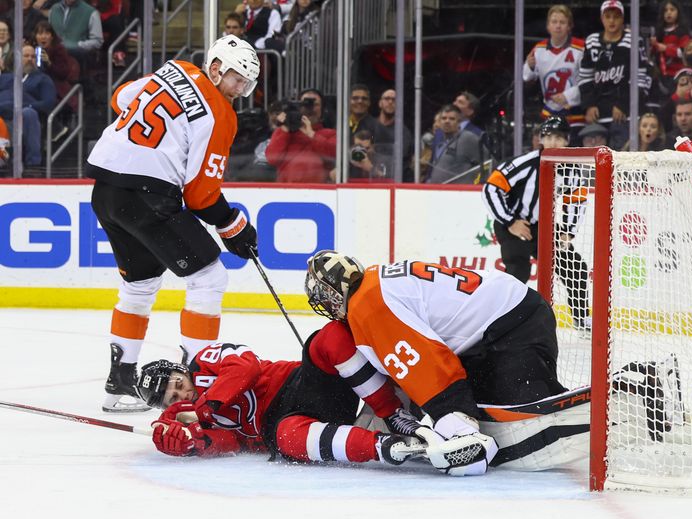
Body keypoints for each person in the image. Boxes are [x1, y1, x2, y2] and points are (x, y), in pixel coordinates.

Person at [85, 35, 261, 412]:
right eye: (236, 79)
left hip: (107, 192)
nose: (240, 89)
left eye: (247, 84)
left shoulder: (176, 69)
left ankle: (119, 386)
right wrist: (234, 225)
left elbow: (120, 98)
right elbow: (201, 195)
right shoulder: (221, 114)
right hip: (148, 196)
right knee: (210, 278)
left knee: (140, 284)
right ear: (215, 69)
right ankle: (201, 384)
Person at [303, 244, 576, 477]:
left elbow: (424, 364)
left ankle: (593, 411)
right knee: (486, 402)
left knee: (522, 403)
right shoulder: (374, 284)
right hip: (503, 321)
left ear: (331, 294)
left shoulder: (368, 306)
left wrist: (456, 423)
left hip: (513, 324)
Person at [136, 320, 427, 468]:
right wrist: (193, 443)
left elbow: (245, 366)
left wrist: (206, 406)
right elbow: (232, 442)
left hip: (300, 384)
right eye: (172, 398)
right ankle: (385, 445)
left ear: (180, 370)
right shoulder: (187, 419)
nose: (181, 393)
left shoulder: (204, 362)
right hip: (284, 423)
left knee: (327, 337)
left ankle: (393, 411)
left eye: (177, 383)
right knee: (287, 440)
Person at [482, 115, 590, 330]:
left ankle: (581, 319)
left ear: (567, 140)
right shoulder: (526, 163)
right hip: (512, 224)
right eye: (548, 137)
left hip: (543, 226)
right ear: (540, 139)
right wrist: (511, 221)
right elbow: (491, 188)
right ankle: (500, 318)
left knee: (575, 267)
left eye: (558, 138)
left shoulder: (572, 169)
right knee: (518, 268)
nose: (552, 142)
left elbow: (576, 201)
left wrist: (568, 231)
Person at [578, 0, 653, 150]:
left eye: (616, 17)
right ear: (602, 18)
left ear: (622, 19)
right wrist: (589, 105)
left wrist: (623, 104)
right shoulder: (592, 41)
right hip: (598, 113)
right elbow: (585, 76)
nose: (612, 20)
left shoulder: (633, 41)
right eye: (608, 16)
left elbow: (641, 77)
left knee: (622, 160)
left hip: (626, 115)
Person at [522, 4, 585, 136]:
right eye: (554, 22)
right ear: (548, 26)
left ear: (569, 26)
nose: (558, 26)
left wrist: (568, 96)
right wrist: (530, 65)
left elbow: (588, 80)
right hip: (550, 111)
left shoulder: (581, 48)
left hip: (575, 113)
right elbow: (527, 77)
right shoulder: (539, 48)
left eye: (562, 22)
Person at [0, 44, 57, 168]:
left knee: (28, 113)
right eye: (26, 56)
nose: (30, 59)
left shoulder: (42, 79)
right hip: (3, 115)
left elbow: (48, 103)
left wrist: (22, 106)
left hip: (25, 117)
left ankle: (33, 165)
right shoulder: (5, 78)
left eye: (33, 56)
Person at [265, 88, 336, 183]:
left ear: (323, 110)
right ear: (298, 106)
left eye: (315, 104)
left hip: (319, 192)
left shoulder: (330, 134)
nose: (310, 108)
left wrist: (312, 134)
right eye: (305, 104)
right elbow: (272, 159)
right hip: (285, 191)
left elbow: (333, 155)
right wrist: (285, 128)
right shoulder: (283, 131)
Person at [426, 104, 481, 183]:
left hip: (459, 192)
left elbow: (488, 164)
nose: (447, 121)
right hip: (437, 191)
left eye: (452, 119)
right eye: (444, 118)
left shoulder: (468, 138)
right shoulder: (439, 141)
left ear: (459, 122)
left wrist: (474, 184)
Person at [373, 88, 412, 181]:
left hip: (394, 181)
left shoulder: (403, 132)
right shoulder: (370, 126)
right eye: (387, 99)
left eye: (394, 100)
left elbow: (399, 156)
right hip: (369, 180)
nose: (390, 102)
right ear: (380, 103)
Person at [650, 0, 691, 83]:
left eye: (672, 10)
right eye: (665, 10)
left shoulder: (682, 32)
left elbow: (684, 52)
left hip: (678, 75)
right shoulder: (659, 32)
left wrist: (666, 49)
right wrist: (654, 45)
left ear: (678, 12)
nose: (668, 13)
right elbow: (653, 55)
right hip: (661, 75)